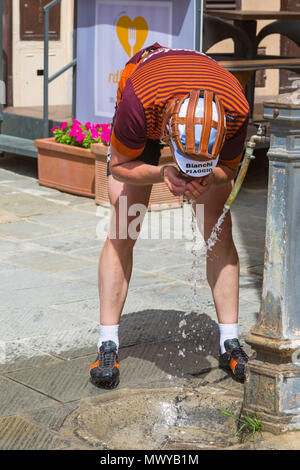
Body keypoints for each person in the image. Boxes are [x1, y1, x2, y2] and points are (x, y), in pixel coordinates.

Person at [89, 43, 250, 389]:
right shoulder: (139, 100)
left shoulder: (236, 109)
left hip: (209, 107)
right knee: (124, 223)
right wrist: (163, 173)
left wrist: (207, 178)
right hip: (151, 102)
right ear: (168, 131)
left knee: (219, 229)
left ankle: (229, 342)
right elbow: (119, 167)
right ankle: (107, 344)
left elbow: (229, 172)